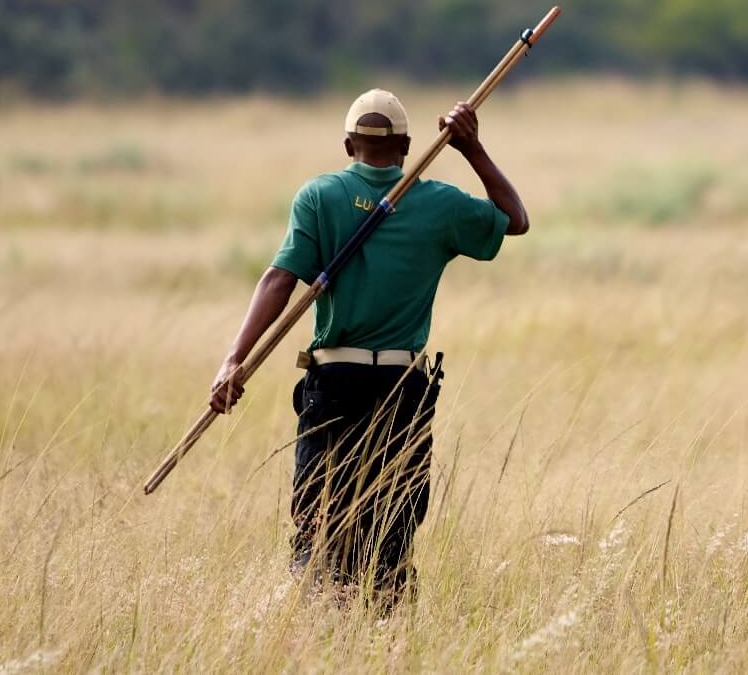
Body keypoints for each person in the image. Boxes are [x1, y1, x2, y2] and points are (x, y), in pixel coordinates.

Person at [208, 87, 528, 607]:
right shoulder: (439, 204)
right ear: (406, 145)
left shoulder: (318, 196)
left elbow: (277, 281)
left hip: (332, 387)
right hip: (401, 391)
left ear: (346, 145)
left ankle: (321, 643)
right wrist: (471, 149)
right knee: (389, 545)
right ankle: (384, 644)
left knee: (318, 536)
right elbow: (515, 219)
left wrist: (233, 362)